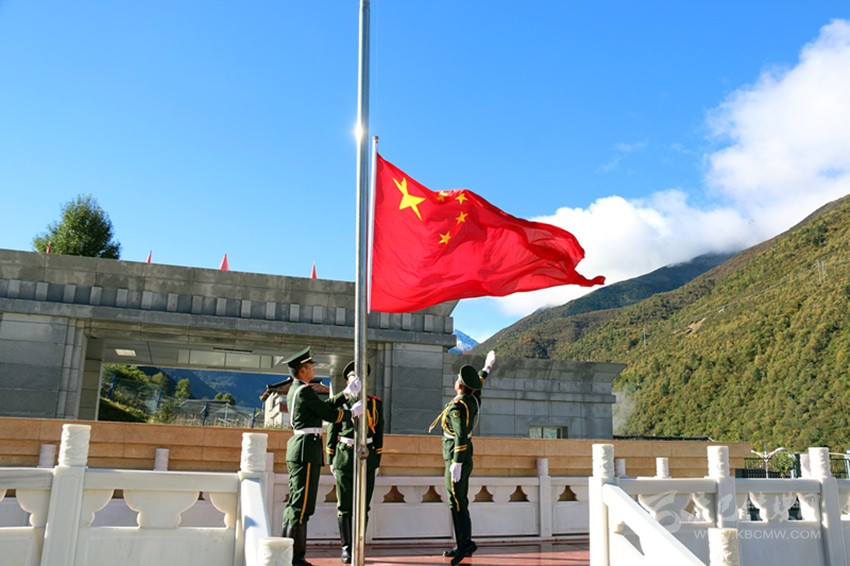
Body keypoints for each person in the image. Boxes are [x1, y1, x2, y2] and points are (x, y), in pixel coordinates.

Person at [281, 347, 363, 566]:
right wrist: (350, 413)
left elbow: (321, 406)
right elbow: (327, 414)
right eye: (310, 366)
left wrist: (345, 394)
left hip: (302, 448)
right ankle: (296, 558)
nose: (313, 369)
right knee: (302, 506)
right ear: (302, 370)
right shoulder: (304, 391)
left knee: (296, 504)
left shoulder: (298, 390)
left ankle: (286, 553)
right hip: (306, 449)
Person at [434, 350, 495, 565]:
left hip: (456, 455)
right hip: (465, 453)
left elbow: (460, 434)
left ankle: (465, 544)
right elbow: (478, 383)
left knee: (456, 501)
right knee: (461, 499)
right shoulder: (472, 400)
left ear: (459, 385)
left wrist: (456, 462)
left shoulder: (458, 407)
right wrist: (486, 368)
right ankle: (463, 542)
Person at [326, 361, 383, 564]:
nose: (358, 384)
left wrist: (377, 461)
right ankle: (346, 547)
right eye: (354, 380)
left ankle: (359, 544)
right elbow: (332, 432)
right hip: (344, 455)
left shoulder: (374, 404)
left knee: (364, 505)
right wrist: (331, 458)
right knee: (344, 505)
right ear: (347, 382)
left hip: (367, 456)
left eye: (361, 380)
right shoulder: (341, 403)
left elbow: (379, 435)